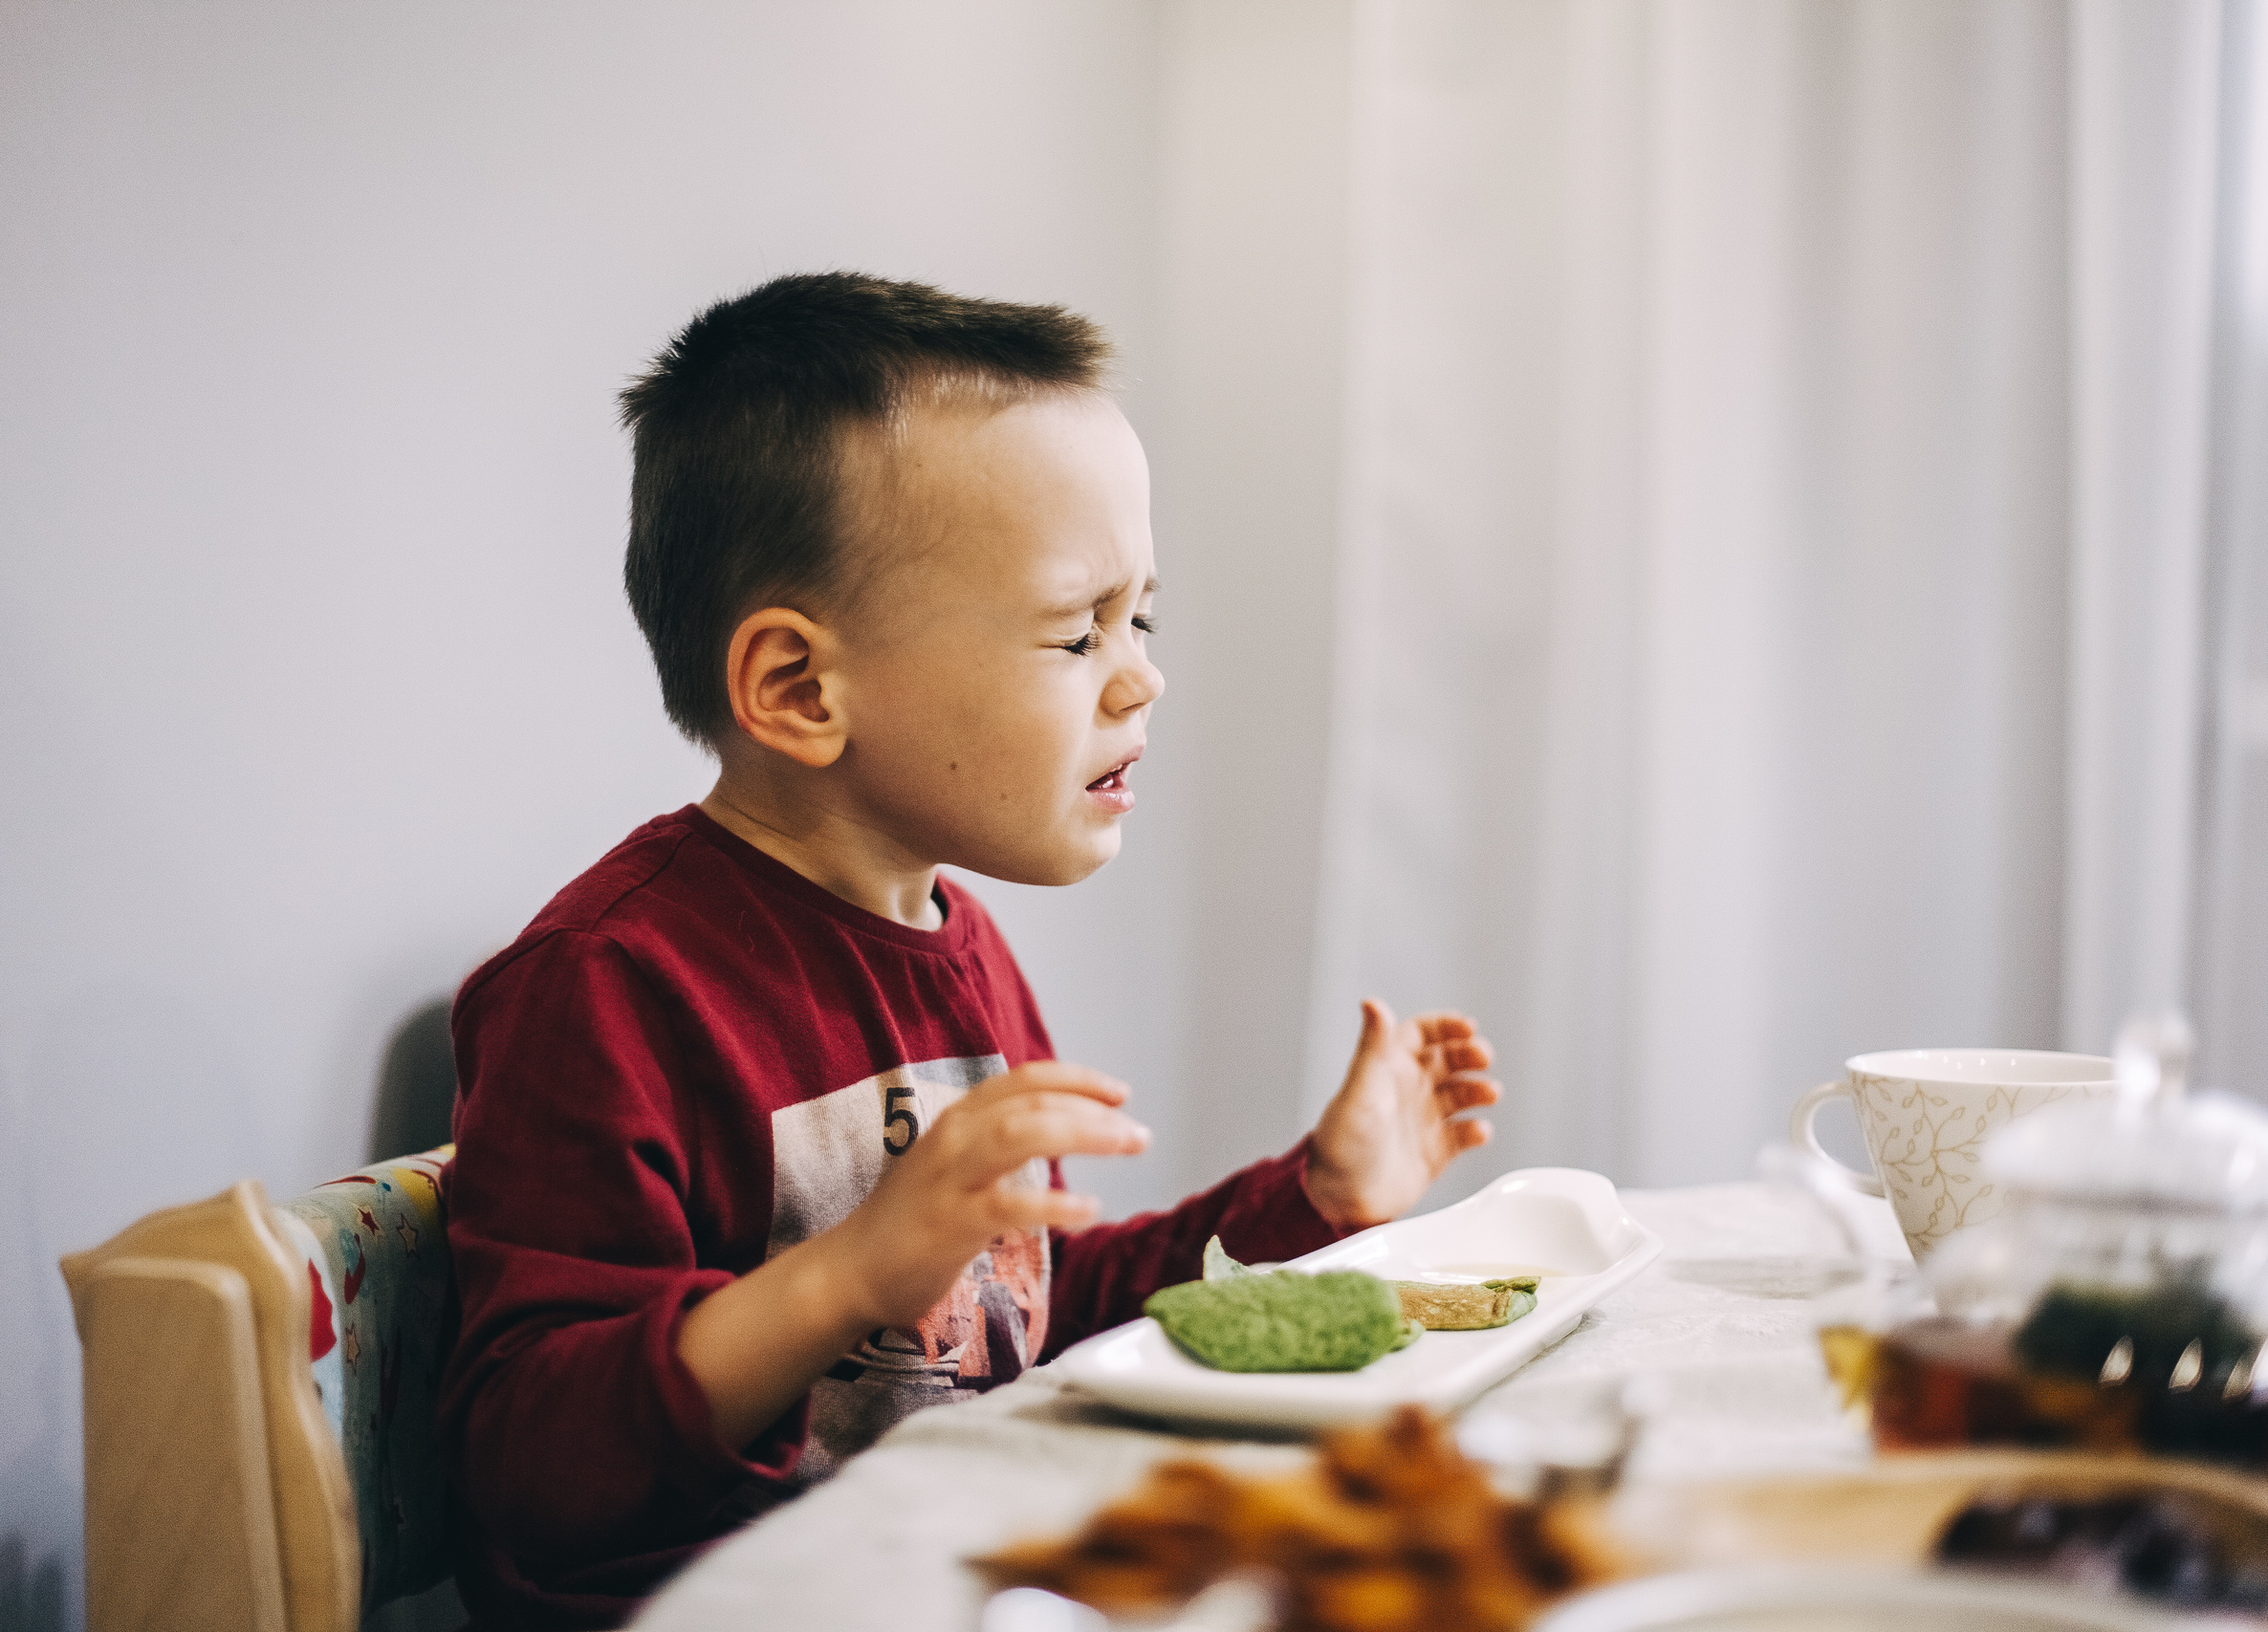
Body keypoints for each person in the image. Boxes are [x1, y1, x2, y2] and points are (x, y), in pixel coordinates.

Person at [437, 272, 1502, 1629]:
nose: (1142, 676)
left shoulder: (960, 947)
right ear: (800, 689)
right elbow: (529, 1466)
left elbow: (1035, 1318)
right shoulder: (606, 987)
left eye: (1140, 618)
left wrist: (1313, 1201)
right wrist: (850, 1276)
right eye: (1076, 631)